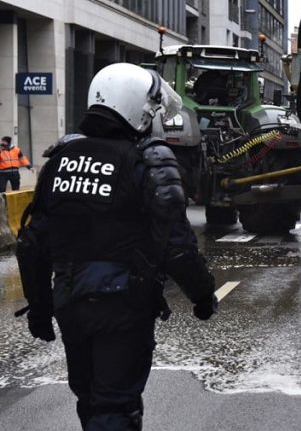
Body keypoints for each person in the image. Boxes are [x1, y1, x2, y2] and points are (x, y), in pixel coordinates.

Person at [15, 63, 219, 431]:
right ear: (135, 108)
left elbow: (31, 244)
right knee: (116, 406)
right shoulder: (147, 160)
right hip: (123, 303)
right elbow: (176, 244)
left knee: (90, 401)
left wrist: (40, 310)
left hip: (69, 301)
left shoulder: (61, 159)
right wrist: (202, 294)